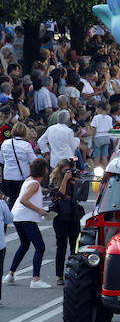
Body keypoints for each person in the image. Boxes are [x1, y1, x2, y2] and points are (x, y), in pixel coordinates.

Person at [3, 157, 51, 288]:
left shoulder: (29, 180)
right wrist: (39, 210)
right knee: (40, 247)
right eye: (46, 168)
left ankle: (10, 274)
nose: (48, 170)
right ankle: (35, 279)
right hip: (26, 218)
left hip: (18, 217)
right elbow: (24, 200)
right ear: (43, 170)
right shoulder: (35, 184)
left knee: (24, 244)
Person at [49, 158, 82, 285]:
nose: (68, 172)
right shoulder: (54, 180)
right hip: (60, 218)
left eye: (70, 170)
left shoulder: (74, 178)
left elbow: (82, 195)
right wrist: (65, 180)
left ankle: (74, 272)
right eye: (65, 170)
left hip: (73, 216)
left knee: (75, 246)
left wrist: (76, 183)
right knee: (61, 247)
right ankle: (59, 276)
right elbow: (59, 195)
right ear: (60, 170)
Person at [1, 122, 36, 201]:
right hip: (22, 177)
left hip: (8, 176)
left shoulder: (5, 143)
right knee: (23, 200)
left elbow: (2, 160)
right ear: (25, 132)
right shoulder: (26, 145)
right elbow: (33, 161)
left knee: (12, 199)